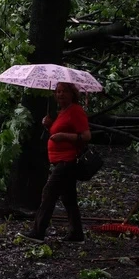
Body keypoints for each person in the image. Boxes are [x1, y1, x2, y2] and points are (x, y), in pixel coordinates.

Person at [21, 82, 91, 242]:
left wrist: (63, 137)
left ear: (72, 94)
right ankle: (76, 233)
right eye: (58, 92)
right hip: (59, 160)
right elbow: (58, 132)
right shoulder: (62, 112)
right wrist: (49, 126)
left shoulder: (75, 111)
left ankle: (38, 232)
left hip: (68, 160)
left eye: (64, 91)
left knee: (48, 192)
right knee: (69, 198)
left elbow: (86, 136)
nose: (60, 95)